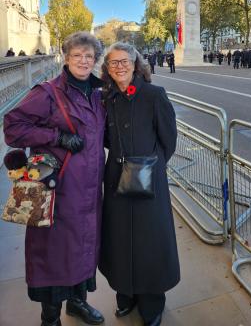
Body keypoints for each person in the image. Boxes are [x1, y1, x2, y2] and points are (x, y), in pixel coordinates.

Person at [3, 31, 106, 326]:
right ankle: (50, 318)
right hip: (58, 190)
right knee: (52, 255)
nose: (84, 61)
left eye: (89, 56)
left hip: (89, 190)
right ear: (66, 58)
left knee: (84, 247)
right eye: (77, 56)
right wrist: (56, 136)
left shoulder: (98, 94)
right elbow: (13, 127)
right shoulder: (48, 92)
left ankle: (77, 303)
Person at [99, 42, 180, 326]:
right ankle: (126, 295)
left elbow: (169, 140)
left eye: (125, 61)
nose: (120, 66)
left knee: (150, 242)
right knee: (119, 240)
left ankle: (152, 303)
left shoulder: (154, 95)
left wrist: (152, 166)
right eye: (113, 63)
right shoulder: (106, 99)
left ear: (135, 64)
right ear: (107, 69)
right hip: (116, 179)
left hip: (149, 180)